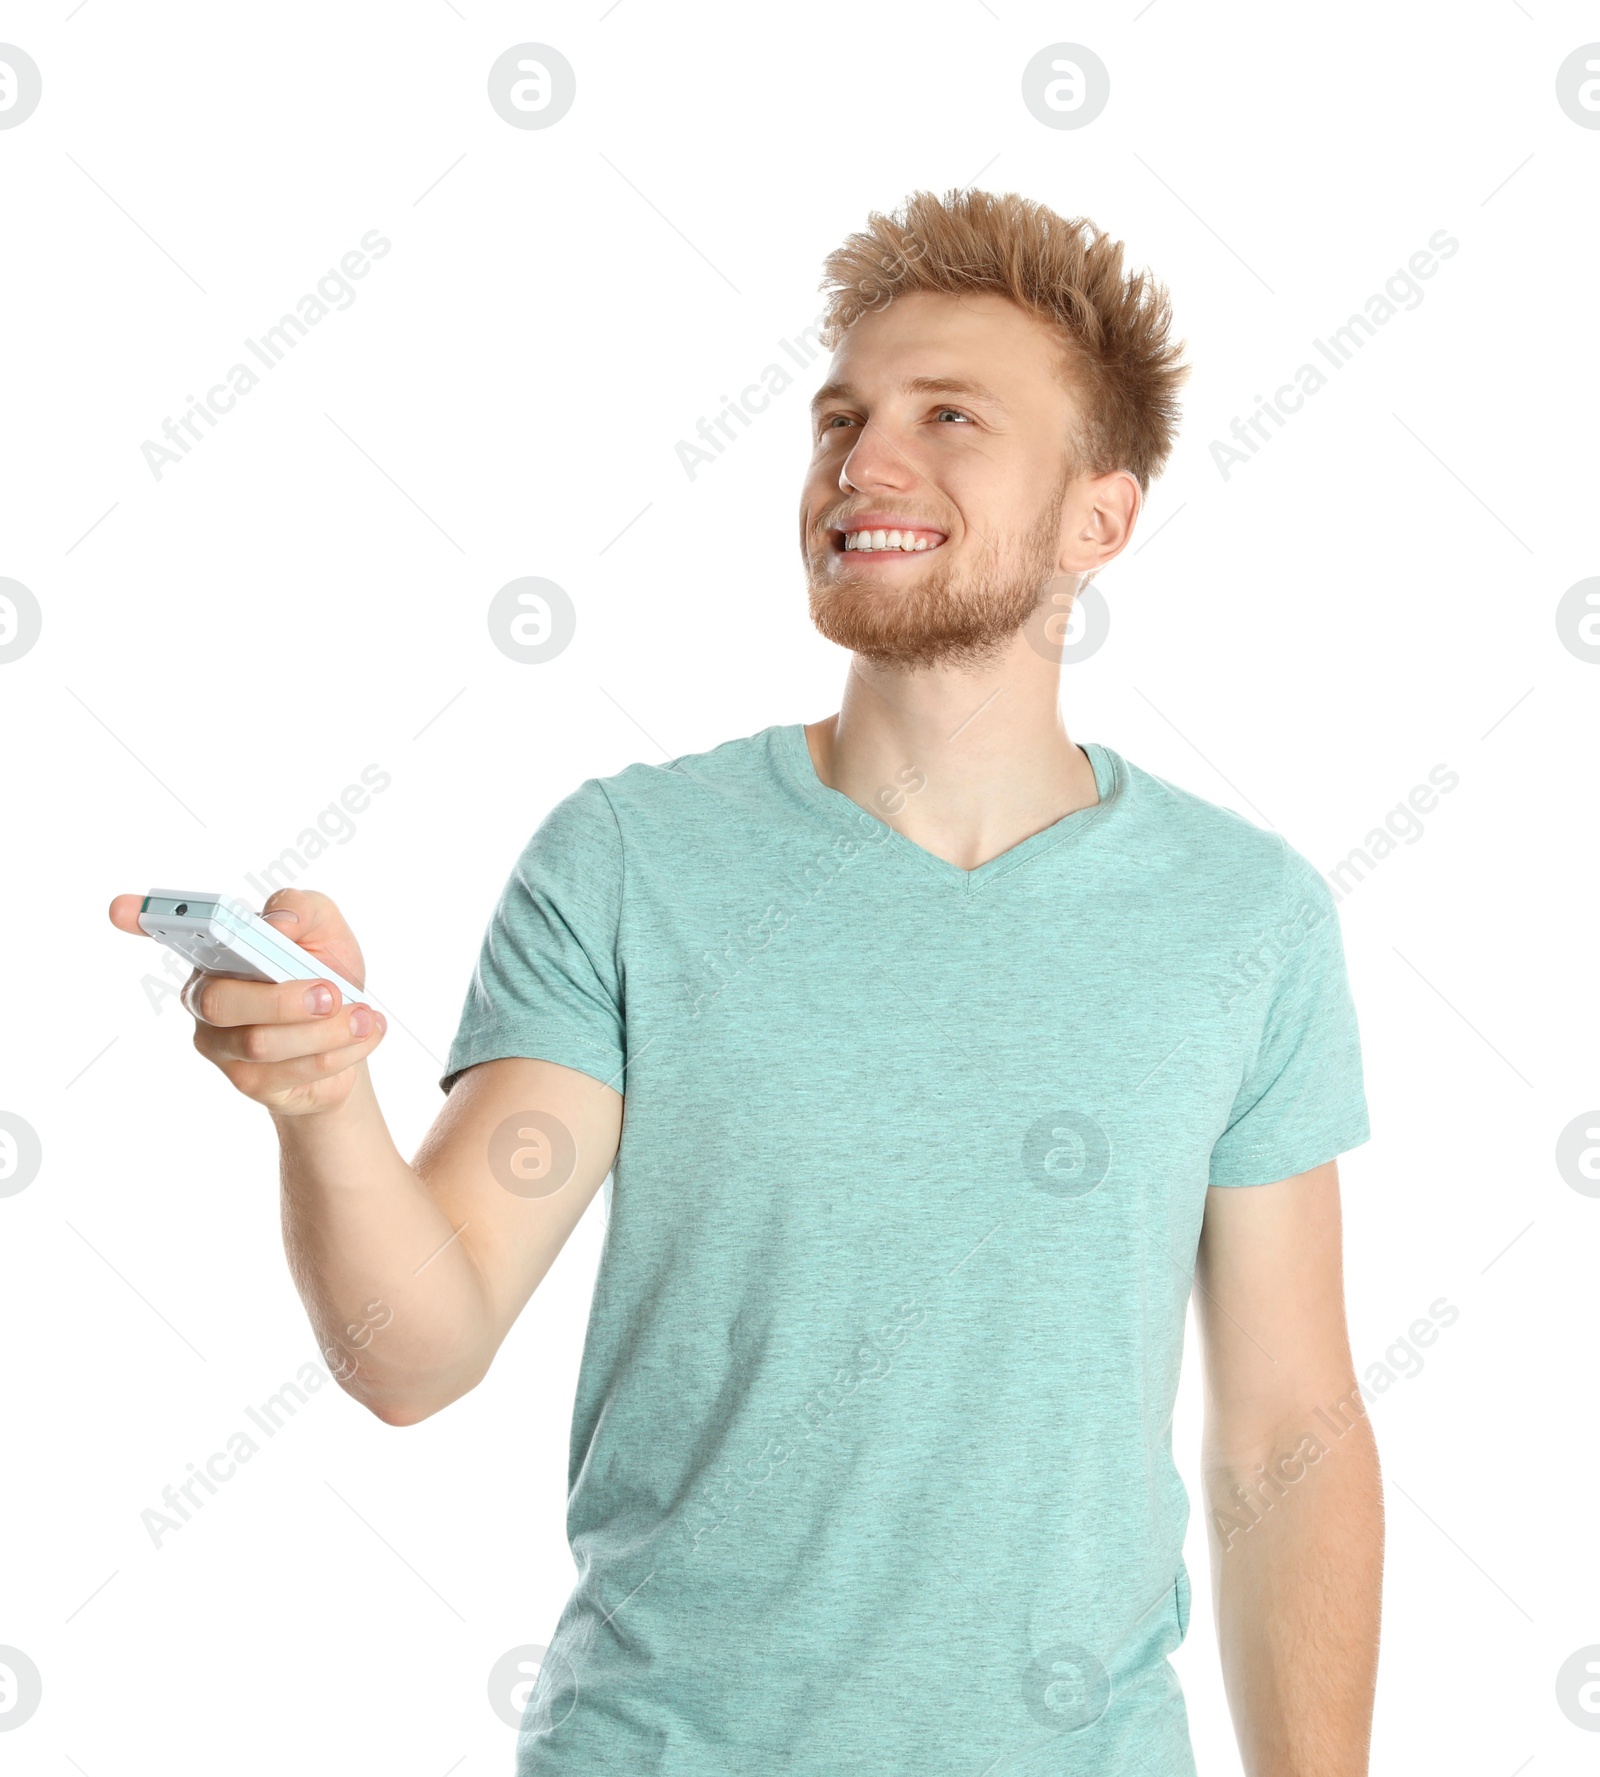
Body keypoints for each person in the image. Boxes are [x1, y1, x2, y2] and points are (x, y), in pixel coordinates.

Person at [111, 187, 1382, 1776]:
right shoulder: (633, 860)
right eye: (840, 419)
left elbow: (1285, 1432)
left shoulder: (1240, 915)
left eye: (950, 418)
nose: (864, 465)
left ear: (1099, 519)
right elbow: (414, 1346)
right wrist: (321, 1100)